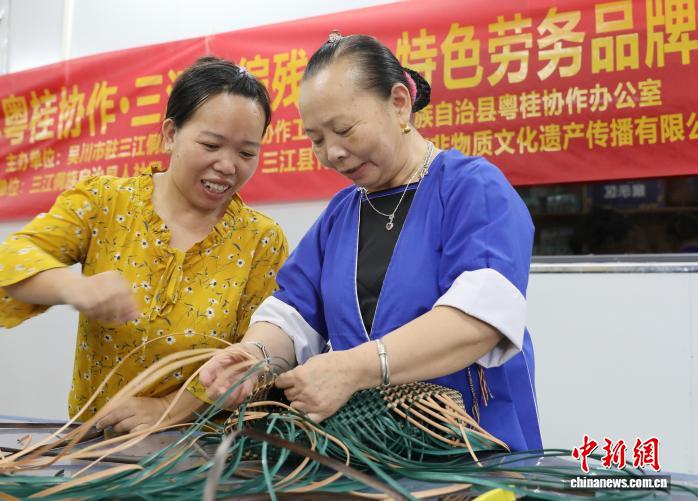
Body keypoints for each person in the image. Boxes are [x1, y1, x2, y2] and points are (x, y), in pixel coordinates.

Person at [200, 34, 541, 452]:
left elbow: (481, 319)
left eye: (344, 130)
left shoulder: (471, 188)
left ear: (398, 103)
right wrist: (254, 356)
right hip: (369, 452)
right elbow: (292, 313)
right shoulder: (341, 214)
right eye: (317, 139)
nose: (333, 153)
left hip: (473, 449)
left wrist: (357, 368)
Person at [0, 57, 288, 433]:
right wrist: (73, 287)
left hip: (202, 447)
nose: (227, 165)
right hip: (97, 443)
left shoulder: (261, 240)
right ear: (170, 134)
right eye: (211, 144)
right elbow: (10, 260)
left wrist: (168, 408)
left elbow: (257, 358)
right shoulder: (106, 202)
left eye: (246, 153)